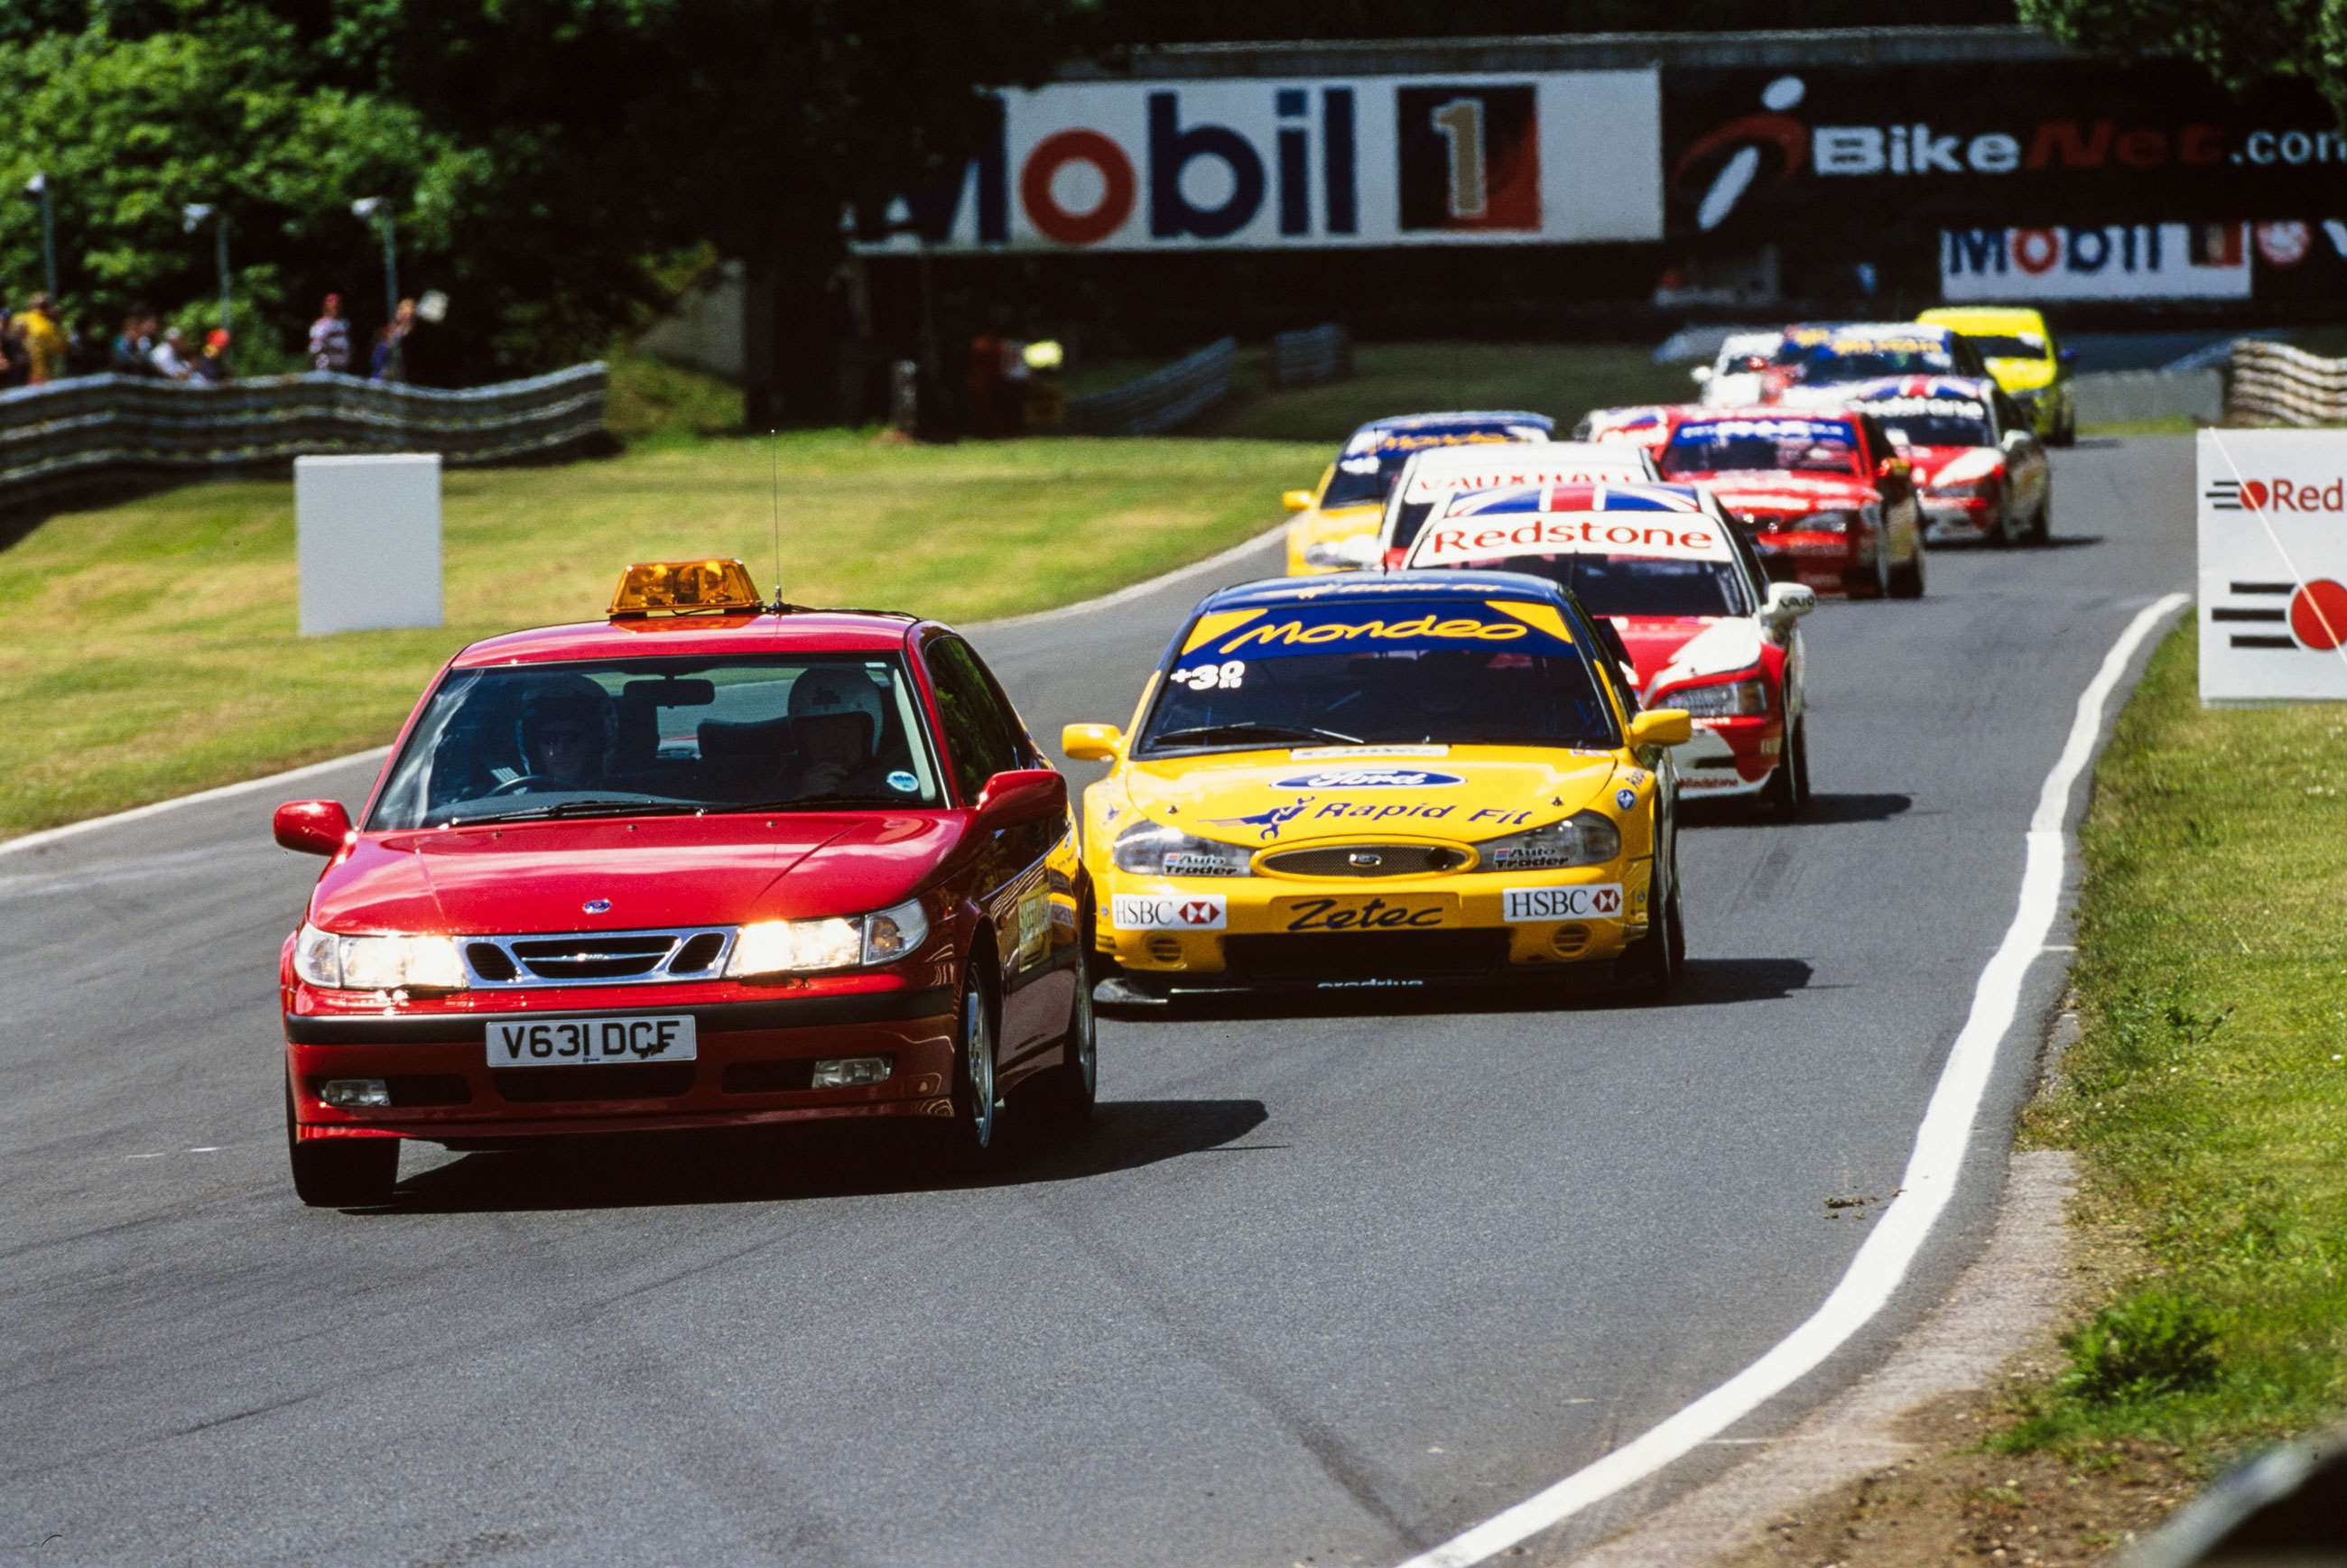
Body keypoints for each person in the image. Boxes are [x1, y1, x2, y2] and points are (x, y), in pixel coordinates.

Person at [784, 665, 896, 797]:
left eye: (844, 729)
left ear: (867, 732)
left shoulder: (897, 783)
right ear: (802, 737)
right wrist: (802, 800)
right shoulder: (781, 783)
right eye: (818, 731)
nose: (831, 743)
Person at [513, 675, 612, 788]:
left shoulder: (626, 794)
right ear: (532, 747)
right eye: (548, 739)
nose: (561, 750)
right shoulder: (511, 799)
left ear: (596, 742)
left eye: (572, 738)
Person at [19, 293, 67, 385]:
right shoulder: (24, 319)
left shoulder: (51, 324)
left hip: (46, 372)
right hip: (30, 372)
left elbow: (61, 348)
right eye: (42, 305)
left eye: (44, 305)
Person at [308, 292, 350, 373]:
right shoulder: (321, 324)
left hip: (342, 367)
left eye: (338, 305)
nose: (336, 307)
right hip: (326, 368)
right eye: (333, 305)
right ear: (326, 306)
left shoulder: (344, 323)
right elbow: (314, 348)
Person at [110, 312, 153, 376]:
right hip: (120, 373)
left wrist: (137, 346)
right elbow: (120, 358)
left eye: (136, 330)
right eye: (131, 329)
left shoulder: (141, 342)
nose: (133, 333)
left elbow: (147, 360)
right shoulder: (120, 340)